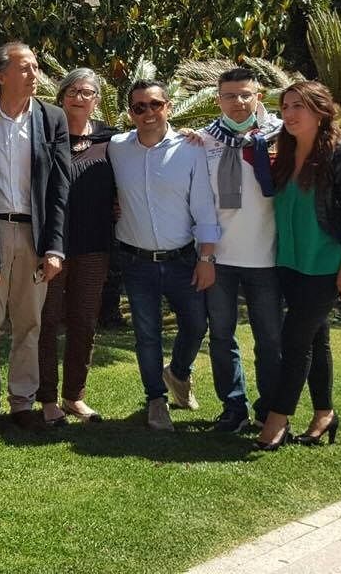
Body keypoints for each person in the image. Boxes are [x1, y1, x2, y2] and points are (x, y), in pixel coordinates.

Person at [107, 80, 220, 431]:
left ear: (168, 106)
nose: (148, 112)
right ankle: (156, 400)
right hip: (135, 261)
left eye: (155, 104)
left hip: (183, 259)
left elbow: (204, 206)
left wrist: (206, 258)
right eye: (139, 107)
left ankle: (179, 373)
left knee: (196, 325)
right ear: (130, 113)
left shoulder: (191, 148)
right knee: (147, 334)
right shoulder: (117, 147)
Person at [0, 42, 71, 434]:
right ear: (1, 75)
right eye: (25, 67)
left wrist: (55, 246)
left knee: (30, 321)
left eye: (35, 66)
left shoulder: (52, 118)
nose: (34, 73)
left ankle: (23, 402)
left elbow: (60, 187)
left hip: (34, 232)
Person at [255, 81, 341, 450]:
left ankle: (277, 419)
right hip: (289, 264)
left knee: (293, 341)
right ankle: (324, 414)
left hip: (324, 265)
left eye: (300, 106)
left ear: (321, 112)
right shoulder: (285, 155)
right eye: (286, 106)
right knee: (315, 337)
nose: (290, 114)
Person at [196, 68, 283, 433]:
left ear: (258, 96)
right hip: (220, 257)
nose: (239, 102)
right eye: (230, 96)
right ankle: (233, 407)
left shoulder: (280, 135)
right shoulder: (202, 140)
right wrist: (205, 256)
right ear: (218, 100)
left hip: (267, 256)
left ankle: (269, 409)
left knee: (270, 339)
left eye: (246, 94)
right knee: (221, 336)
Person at [38, 69, 117, 426]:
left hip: (93, 244)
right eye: (71, 91)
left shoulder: (111, 140)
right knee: (47, 320)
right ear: (61, 97)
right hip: (51, 245)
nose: (78, 97)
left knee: (84, 321)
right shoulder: (46, 136)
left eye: (86, 92)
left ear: (96, 100)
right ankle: (47, 398)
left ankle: (74, 396)